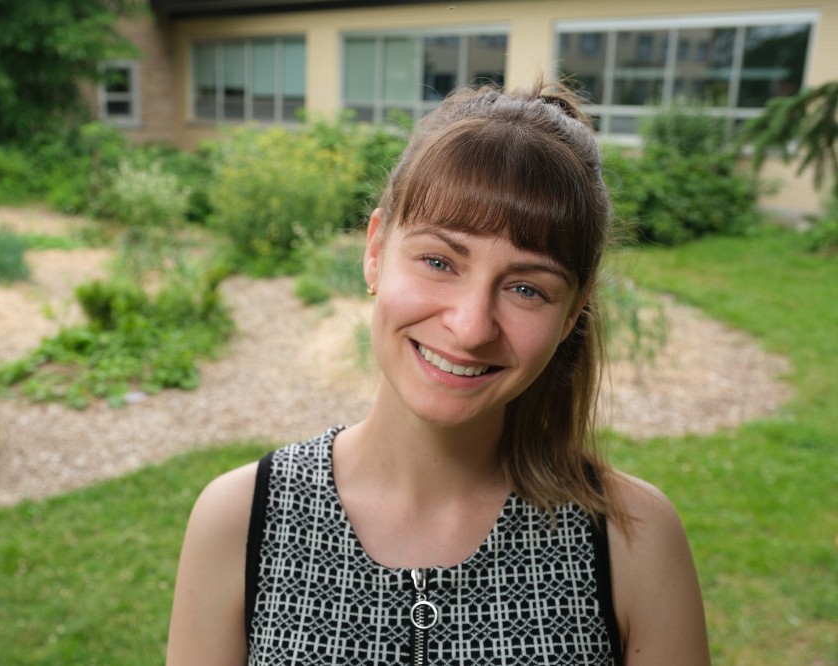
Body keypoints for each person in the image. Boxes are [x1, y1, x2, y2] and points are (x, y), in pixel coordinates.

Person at [165, 80, 711, 665]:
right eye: (438, 261)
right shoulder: (241, 521)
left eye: (527, 289)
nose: (472, 327)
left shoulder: (633, 540)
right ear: (375, 252)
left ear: (573, 313)